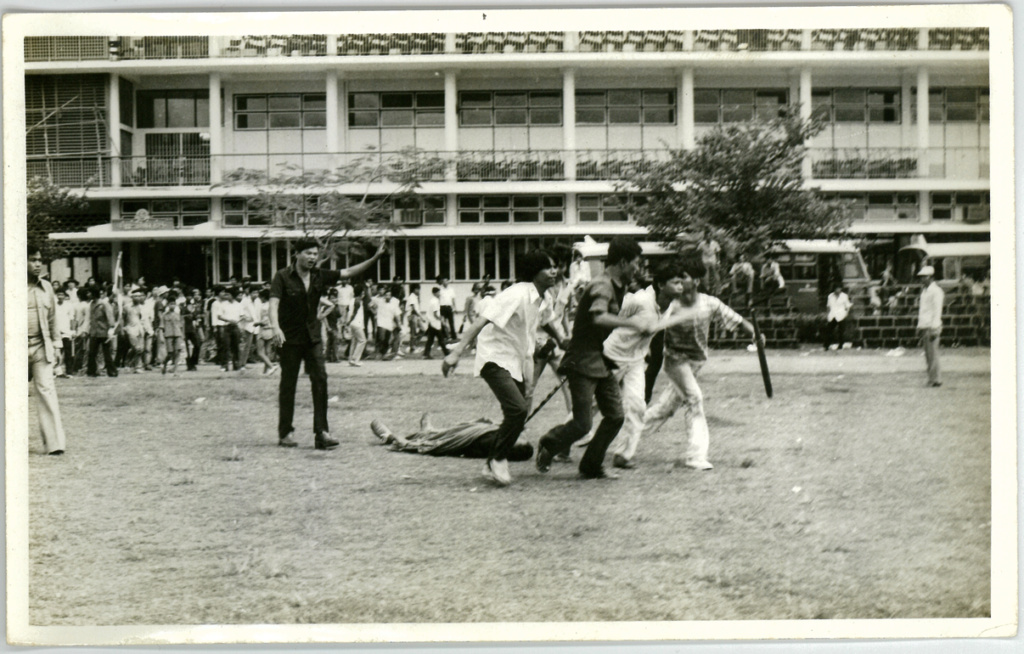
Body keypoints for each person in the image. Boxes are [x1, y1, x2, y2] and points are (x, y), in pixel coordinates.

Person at [442, 250, 564, 486]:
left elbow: (547, 322)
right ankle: (497, 460)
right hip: (494, 358)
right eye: (548, 267)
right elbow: (481, 320)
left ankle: (492, 462)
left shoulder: (545, 298)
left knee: (518, 414)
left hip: (516, 360)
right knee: (518, 410)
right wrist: (456, 353)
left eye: (554, 267)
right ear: (533, 272)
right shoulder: (516, 294)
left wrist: (562, 339)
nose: (554, 271)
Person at [535, 236, 647, 480]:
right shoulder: (602, 286)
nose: (638, 269)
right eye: (636, 263)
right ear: (624, 262)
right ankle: (548, 444)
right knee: (583, 424)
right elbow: (598, 316)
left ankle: (590, 465)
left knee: (616, 416)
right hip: (582, 361)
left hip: (600, 358)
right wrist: (632, 324)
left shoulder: (619, 285)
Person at [639, 253, 762, 471]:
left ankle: (625, 433)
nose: (678, 281)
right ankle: (695, 456)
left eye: (683, 277)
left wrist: (755, 335)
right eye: (676, 278)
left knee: (664, 409)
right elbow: (650, 327)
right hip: (675, 361)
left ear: (695, 281)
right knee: (695, 399)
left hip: (695, 363)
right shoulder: (671, 305)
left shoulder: (710, 303)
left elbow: (738, 320)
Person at [269, 237, 387, 449]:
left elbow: (349, 272)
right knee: (288, 385)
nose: (313, 257)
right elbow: (273, 304)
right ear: (297, 254)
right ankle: (285, 432)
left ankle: (322, 433)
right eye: (309, 253)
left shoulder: (319, 275)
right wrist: (275, 327)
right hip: (289, 339)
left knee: (320, 379)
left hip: (312, 337)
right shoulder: (282, 276)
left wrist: (375, 257)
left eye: (315, 254)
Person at [603, 260, 688, 469]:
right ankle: (561, 445)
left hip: (636, 361)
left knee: (637, 405)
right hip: (611, 355)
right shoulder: (639, 300)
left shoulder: (671, 307)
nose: (681, 286)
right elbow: (612, 317)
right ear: (660, 285)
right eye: (675, 282)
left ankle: (623, 454)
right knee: (594, 405)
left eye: (681, 282)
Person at [27, 244, 67, 455]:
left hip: (41, 346)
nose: (37, 264)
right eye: (32, 259)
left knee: (46, 391)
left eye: (39, 260)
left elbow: (53, 320)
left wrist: (57, 345)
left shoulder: (47, 287)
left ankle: (55, 444)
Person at [370, 413, 534, 461]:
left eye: (520, 440)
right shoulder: (503, 440)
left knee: (428, 440)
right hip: (468, 434)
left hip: (464, 440)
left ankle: (389, 436)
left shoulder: (494, 443)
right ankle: (429, 430)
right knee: (439, 433)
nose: (519, 437)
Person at [917, 265, 944, 388]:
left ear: (931, 277)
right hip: (925, 324)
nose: (922, 279)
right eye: (921, 277)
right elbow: (923, 310)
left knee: (933, 353)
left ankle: (936, 379)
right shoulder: (924, 291)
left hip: (932, 325)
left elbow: (937, 310)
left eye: (925, 277)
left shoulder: (936, 291)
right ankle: (932, 378)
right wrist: (920, 325)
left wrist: (935, 327)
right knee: (928, 354)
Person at [86, 285, 118, 377]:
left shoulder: (104, 304)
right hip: (94, 332)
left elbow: (110, 317)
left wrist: (111, 329)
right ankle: (91, 371)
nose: (88, 294)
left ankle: (112, 371)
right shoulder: (91, 304)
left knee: (106, 353)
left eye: (89, 292)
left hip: (104, 332)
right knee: (91, 353)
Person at [160, 290, 185, 374]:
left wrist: (182, 336)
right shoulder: (164, 315)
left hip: (177, 334)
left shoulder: (178, 314)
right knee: (170, 353)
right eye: (170, 304)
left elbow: (181, 325)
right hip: (168, 335)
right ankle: (164, 364)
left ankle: (175, 369)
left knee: (178, 351)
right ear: (167, 305)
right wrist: (161, 336)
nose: (172, 306)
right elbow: (161, 327)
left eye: (174, 304)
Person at [255, 288, 279, 375]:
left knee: (260, 352)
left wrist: (257, 323)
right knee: (267, 351)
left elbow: (265, 320)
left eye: (260, 298)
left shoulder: (264, 307)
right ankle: (266, 371)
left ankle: (271, 366)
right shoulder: (273, 306)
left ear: (263, 297)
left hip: (263, 330)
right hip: (271, 330)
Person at [824, 283, 853, 351]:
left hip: (841, 315)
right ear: (834, 289)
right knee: (829, 330)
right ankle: (826, 345)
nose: (838, 290)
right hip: (832, 315)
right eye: (836, 288)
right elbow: (828, 306)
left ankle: (841, 345)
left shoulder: (844, 296)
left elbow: (847, 306)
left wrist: (846, 313)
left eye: (839, 288)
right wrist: (828, 314)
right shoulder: (830, 296)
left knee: (841, 331)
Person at [422, 287, 449, 359]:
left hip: (432, 322)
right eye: (438, 292)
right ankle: (447, 354)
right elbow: (435, 314)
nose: (439, 294)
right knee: (441, 339)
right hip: (435, 323)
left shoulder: (432, 301)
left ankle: (426, 354)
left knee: (430, 340)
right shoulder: (435, 301)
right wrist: (442, 320)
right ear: (434, 293)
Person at [54, 287, 75, 378]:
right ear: (56, 295)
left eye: (62, 294)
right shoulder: (53, 305)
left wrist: (73, 330)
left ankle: (69, 372)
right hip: (56, 332)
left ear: (65, 296)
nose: (60, 296)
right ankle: (57, 372)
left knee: (68, 353)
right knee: (57, 353)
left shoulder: (69, 305)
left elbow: (72, 319)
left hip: (66, 332)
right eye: (58, 294)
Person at [345, 294, 368, 367]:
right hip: (356, 323)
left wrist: (348, 322)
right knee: (362, 340)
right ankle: (355, 359)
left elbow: (348, 310)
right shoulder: (358, 301)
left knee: (354, 341)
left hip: (353, 323)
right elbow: (354, 312)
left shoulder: (351, 300)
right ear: (362, 292)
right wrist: (349, 321)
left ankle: (350, 359)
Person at [698, 230, 722, 295]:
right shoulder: (702, 244)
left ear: (711, 236)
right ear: (705, 236)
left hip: (713, 260)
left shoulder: (715, 243)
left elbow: (718, 252)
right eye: (707, 236)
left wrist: (718, 261)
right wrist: (700, 259)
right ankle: (707, 290)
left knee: (716, 274)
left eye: (709, 235)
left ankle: (718, 290)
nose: (708, 237)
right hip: (705, 260)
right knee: (706, 276)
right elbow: (699, 251)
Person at [437, 276, 457, 342]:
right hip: (442, 307)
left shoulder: (451, 289)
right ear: (442, 282)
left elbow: (453, 299)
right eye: (443, 281)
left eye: (446, 281)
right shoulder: (440, 289)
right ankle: (444, 336)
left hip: (449, 307)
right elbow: (438, 299)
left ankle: (453, 336)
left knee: (451, 322)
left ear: (448, 281)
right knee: (443, 323)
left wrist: (455, 307)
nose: (445, 282)